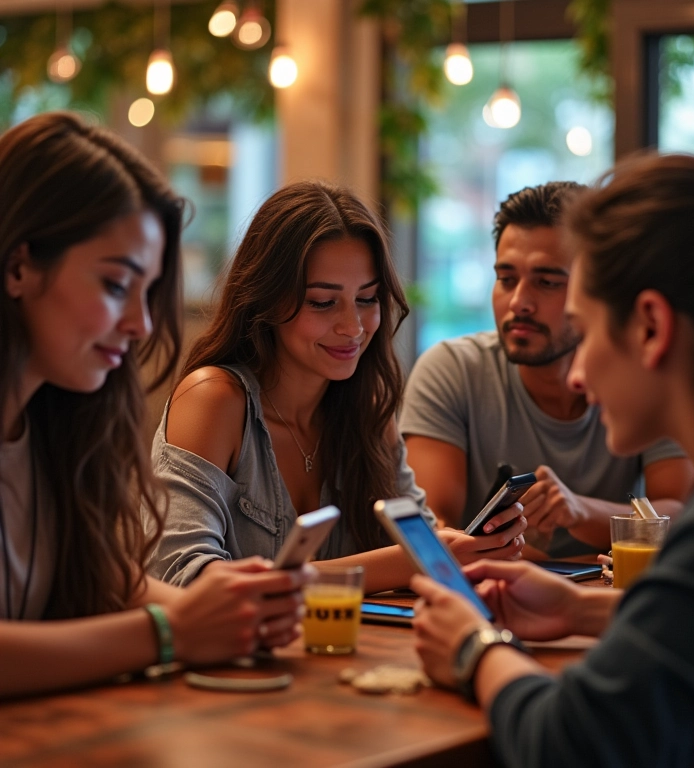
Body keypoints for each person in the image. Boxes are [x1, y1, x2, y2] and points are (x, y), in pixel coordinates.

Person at [411, 153, 694, 767]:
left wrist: (475, 648)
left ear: (651, 328)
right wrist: (581, 608)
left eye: (583, 326)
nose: (576, 374)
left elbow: (573, 746)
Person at [0, 112, 312, 700]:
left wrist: (230, 614)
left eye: (147, 293)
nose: (141, 324)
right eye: (117, 285)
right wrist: (171, 633)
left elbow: (115, 584)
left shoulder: (57, 428)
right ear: (18, 266)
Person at [146, 180, 526, 595]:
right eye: (323, 303)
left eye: (367, 299)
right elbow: (181, 577)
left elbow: (422, 540)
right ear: (267, 300)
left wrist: (471, 549)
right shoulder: (214, 400)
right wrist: (406, 562)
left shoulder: (369, 406)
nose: (353, 327)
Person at [400, 181, 694, 557]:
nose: (519, 302)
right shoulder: (452, 369)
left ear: (593, 290)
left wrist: (578, 509)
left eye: (547, 282)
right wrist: (513, 550)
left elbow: (678, 515)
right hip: (495, 591)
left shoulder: (642, 376)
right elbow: (432, 527)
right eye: (506, 279)